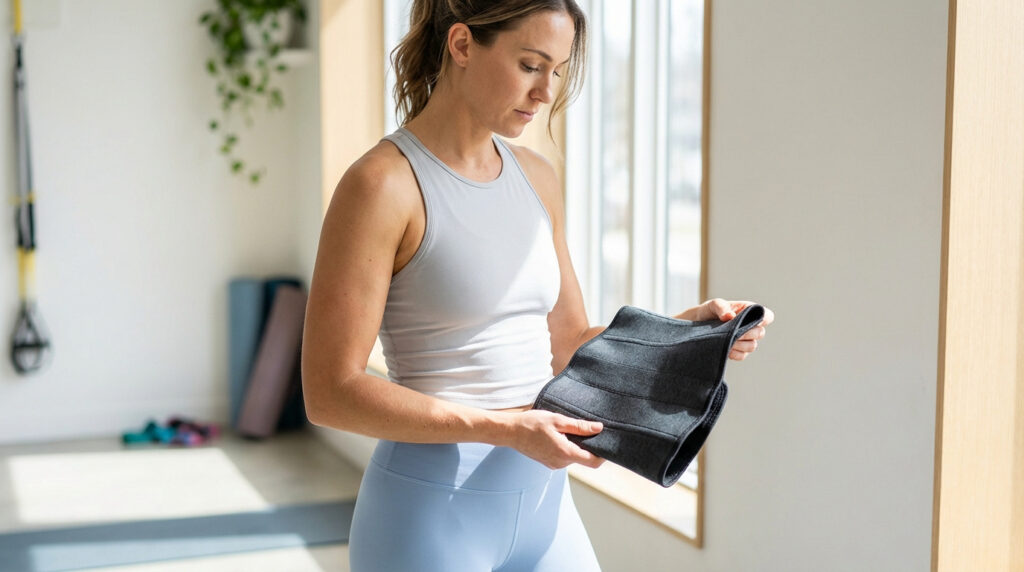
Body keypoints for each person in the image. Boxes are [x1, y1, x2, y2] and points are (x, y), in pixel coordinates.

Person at [301, 1, 774, 570]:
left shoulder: (536, 177)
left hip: (546, 511)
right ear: (462, 45)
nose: (546, 92)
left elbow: (571, 340)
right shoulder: (382, 184)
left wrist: (687, 331)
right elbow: (329, 391)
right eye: (530, 65)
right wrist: (505, 428)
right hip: (428, 517)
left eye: (558, 70)